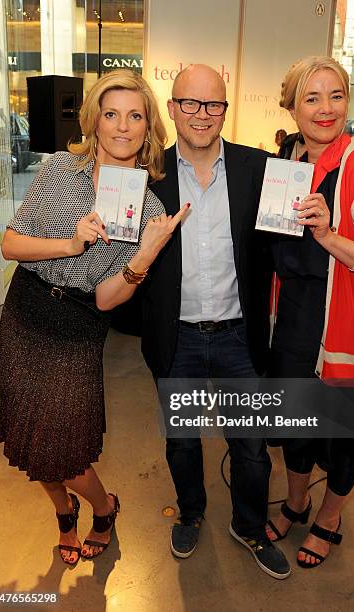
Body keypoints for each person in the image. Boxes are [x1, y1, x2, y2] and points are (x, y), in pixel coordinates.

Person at [0, 69, 188, 565]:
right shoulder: (60, 169)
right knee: (29, 436)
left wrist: (145, 256)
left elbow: (106, 298)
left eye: (135, 116)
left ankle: (103, 507)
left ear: (148, 129)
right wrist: (71, 242)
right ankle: (64, 513)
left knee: (62, 446)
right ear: (94, 122)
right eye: (111, 114)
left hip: (78, 327)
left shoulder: (148, 209)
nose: (122, 126)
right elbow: (11, 243)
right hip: (26, 312)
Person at [142, 64, 290, 579]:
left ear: (225, 109)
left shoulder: (259, 169)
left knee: (250, 448)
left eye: (213, 105)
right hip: (176, 338)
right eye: (190, 103)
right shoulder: (148, 177)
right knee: (181, 442)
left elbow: (280, 250)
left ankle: (249, 525)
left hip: (237, 338)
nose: (202, 115)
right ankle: (191, 513)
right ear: (172, 108)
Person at [265, 56, 354, 568]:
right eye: (312, 97)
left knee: (343, 439)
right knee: (295, 427)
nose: (325, 109)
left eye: (335, 96)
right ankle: (297, 501)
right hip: (296, 322)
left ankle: (328, 519)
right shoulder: (287, 157)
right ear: (292, 107)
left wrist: (330, 236)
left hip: (351, 327)